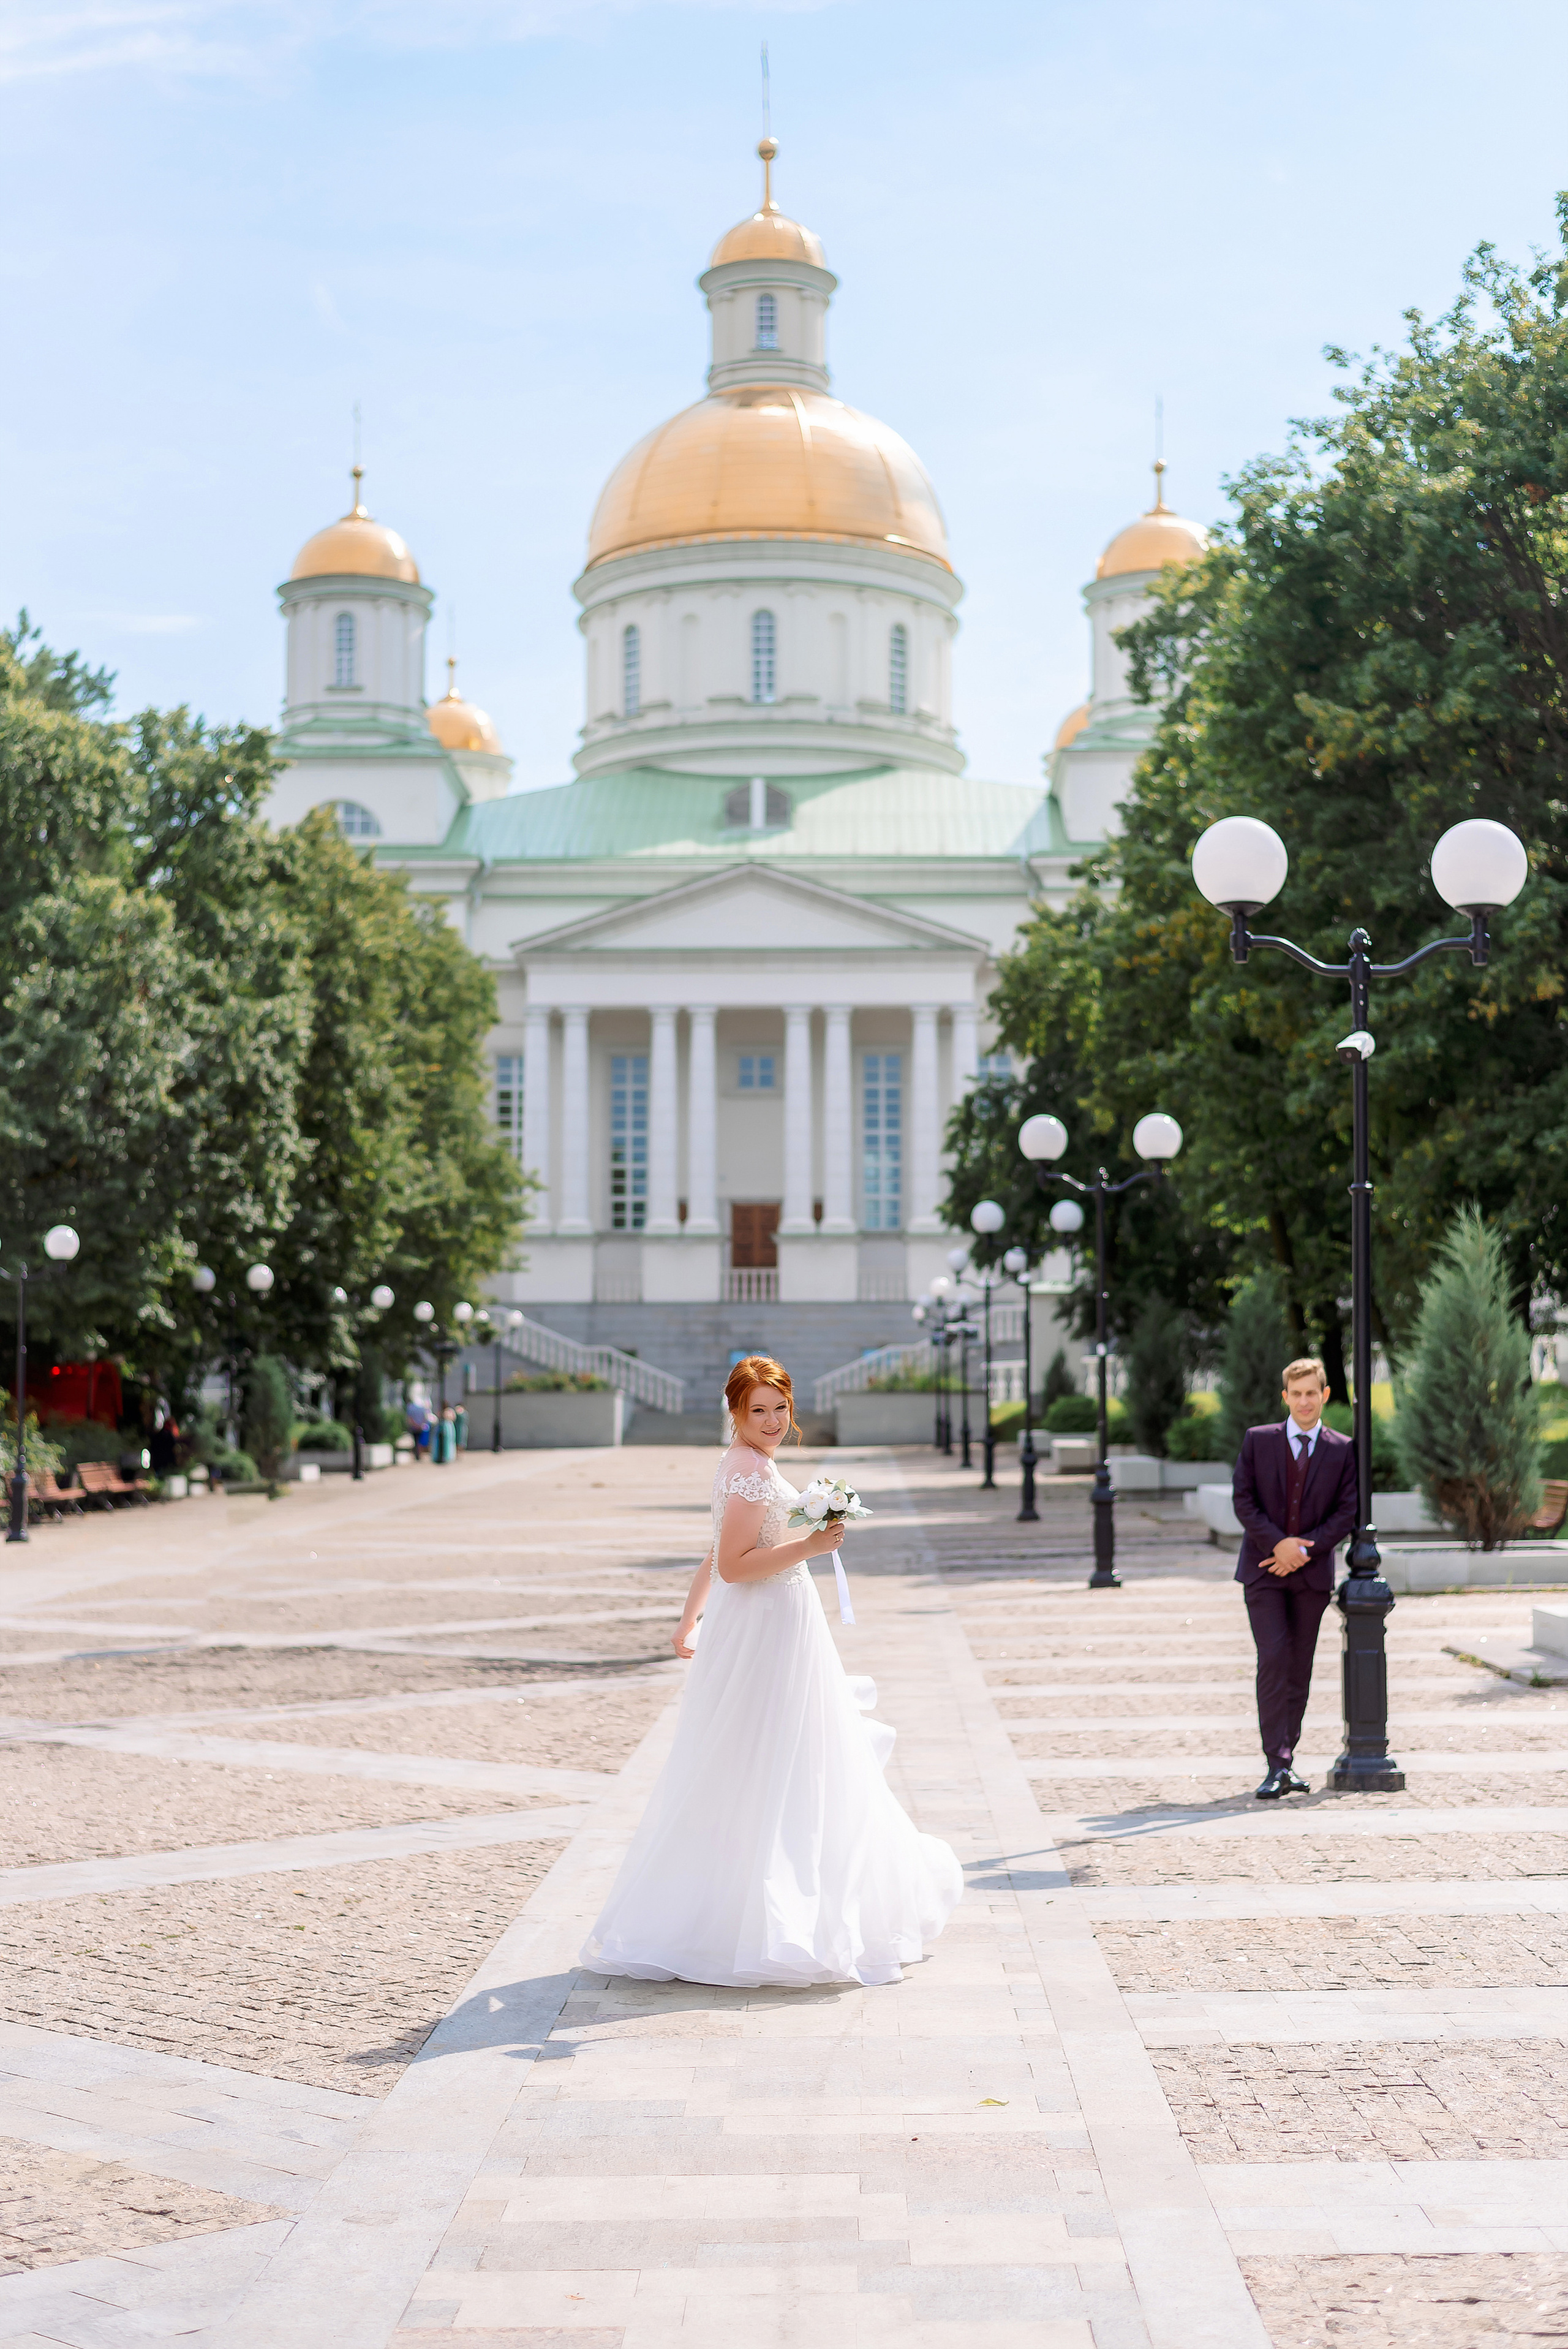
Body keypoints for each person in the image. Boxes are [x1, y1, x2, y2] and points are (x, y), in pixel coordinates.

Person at [581, 1355, 962, 1988]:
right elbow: (734, 1563)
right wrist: (810, 1546)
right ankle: (756, 1916)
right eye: (758, 1410)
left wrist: (688, 1620)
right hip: (766, 1629)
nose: (772, 1420)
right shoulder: (747, 1471)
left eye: (780, 1408)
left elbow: (714, 1555)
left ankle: (759, 1903)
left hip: (774, 1623)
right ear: (735, 1412)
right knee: (771, 1757)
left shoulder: (748, 1465)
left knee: (768, 1757)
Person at [1232, 1355, 1359, 1799]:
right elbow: (1244, 1501)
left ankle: (1288, 1762)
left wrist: (1306, 1548)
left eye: (1312, 1393)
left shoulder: (1342, 1449)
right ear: (1285, 1397)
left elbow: (1348, 1511)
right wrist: (1278, 1545)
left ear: (1325, 1395)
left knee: (1299, 1668)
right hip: (1264, 1571)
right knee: (1275, 1658)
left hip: (1310, 1575)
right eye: (1297, 1394)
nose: (1305, 1402)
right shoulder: (1258, 1441)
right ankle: (1275, 1763)